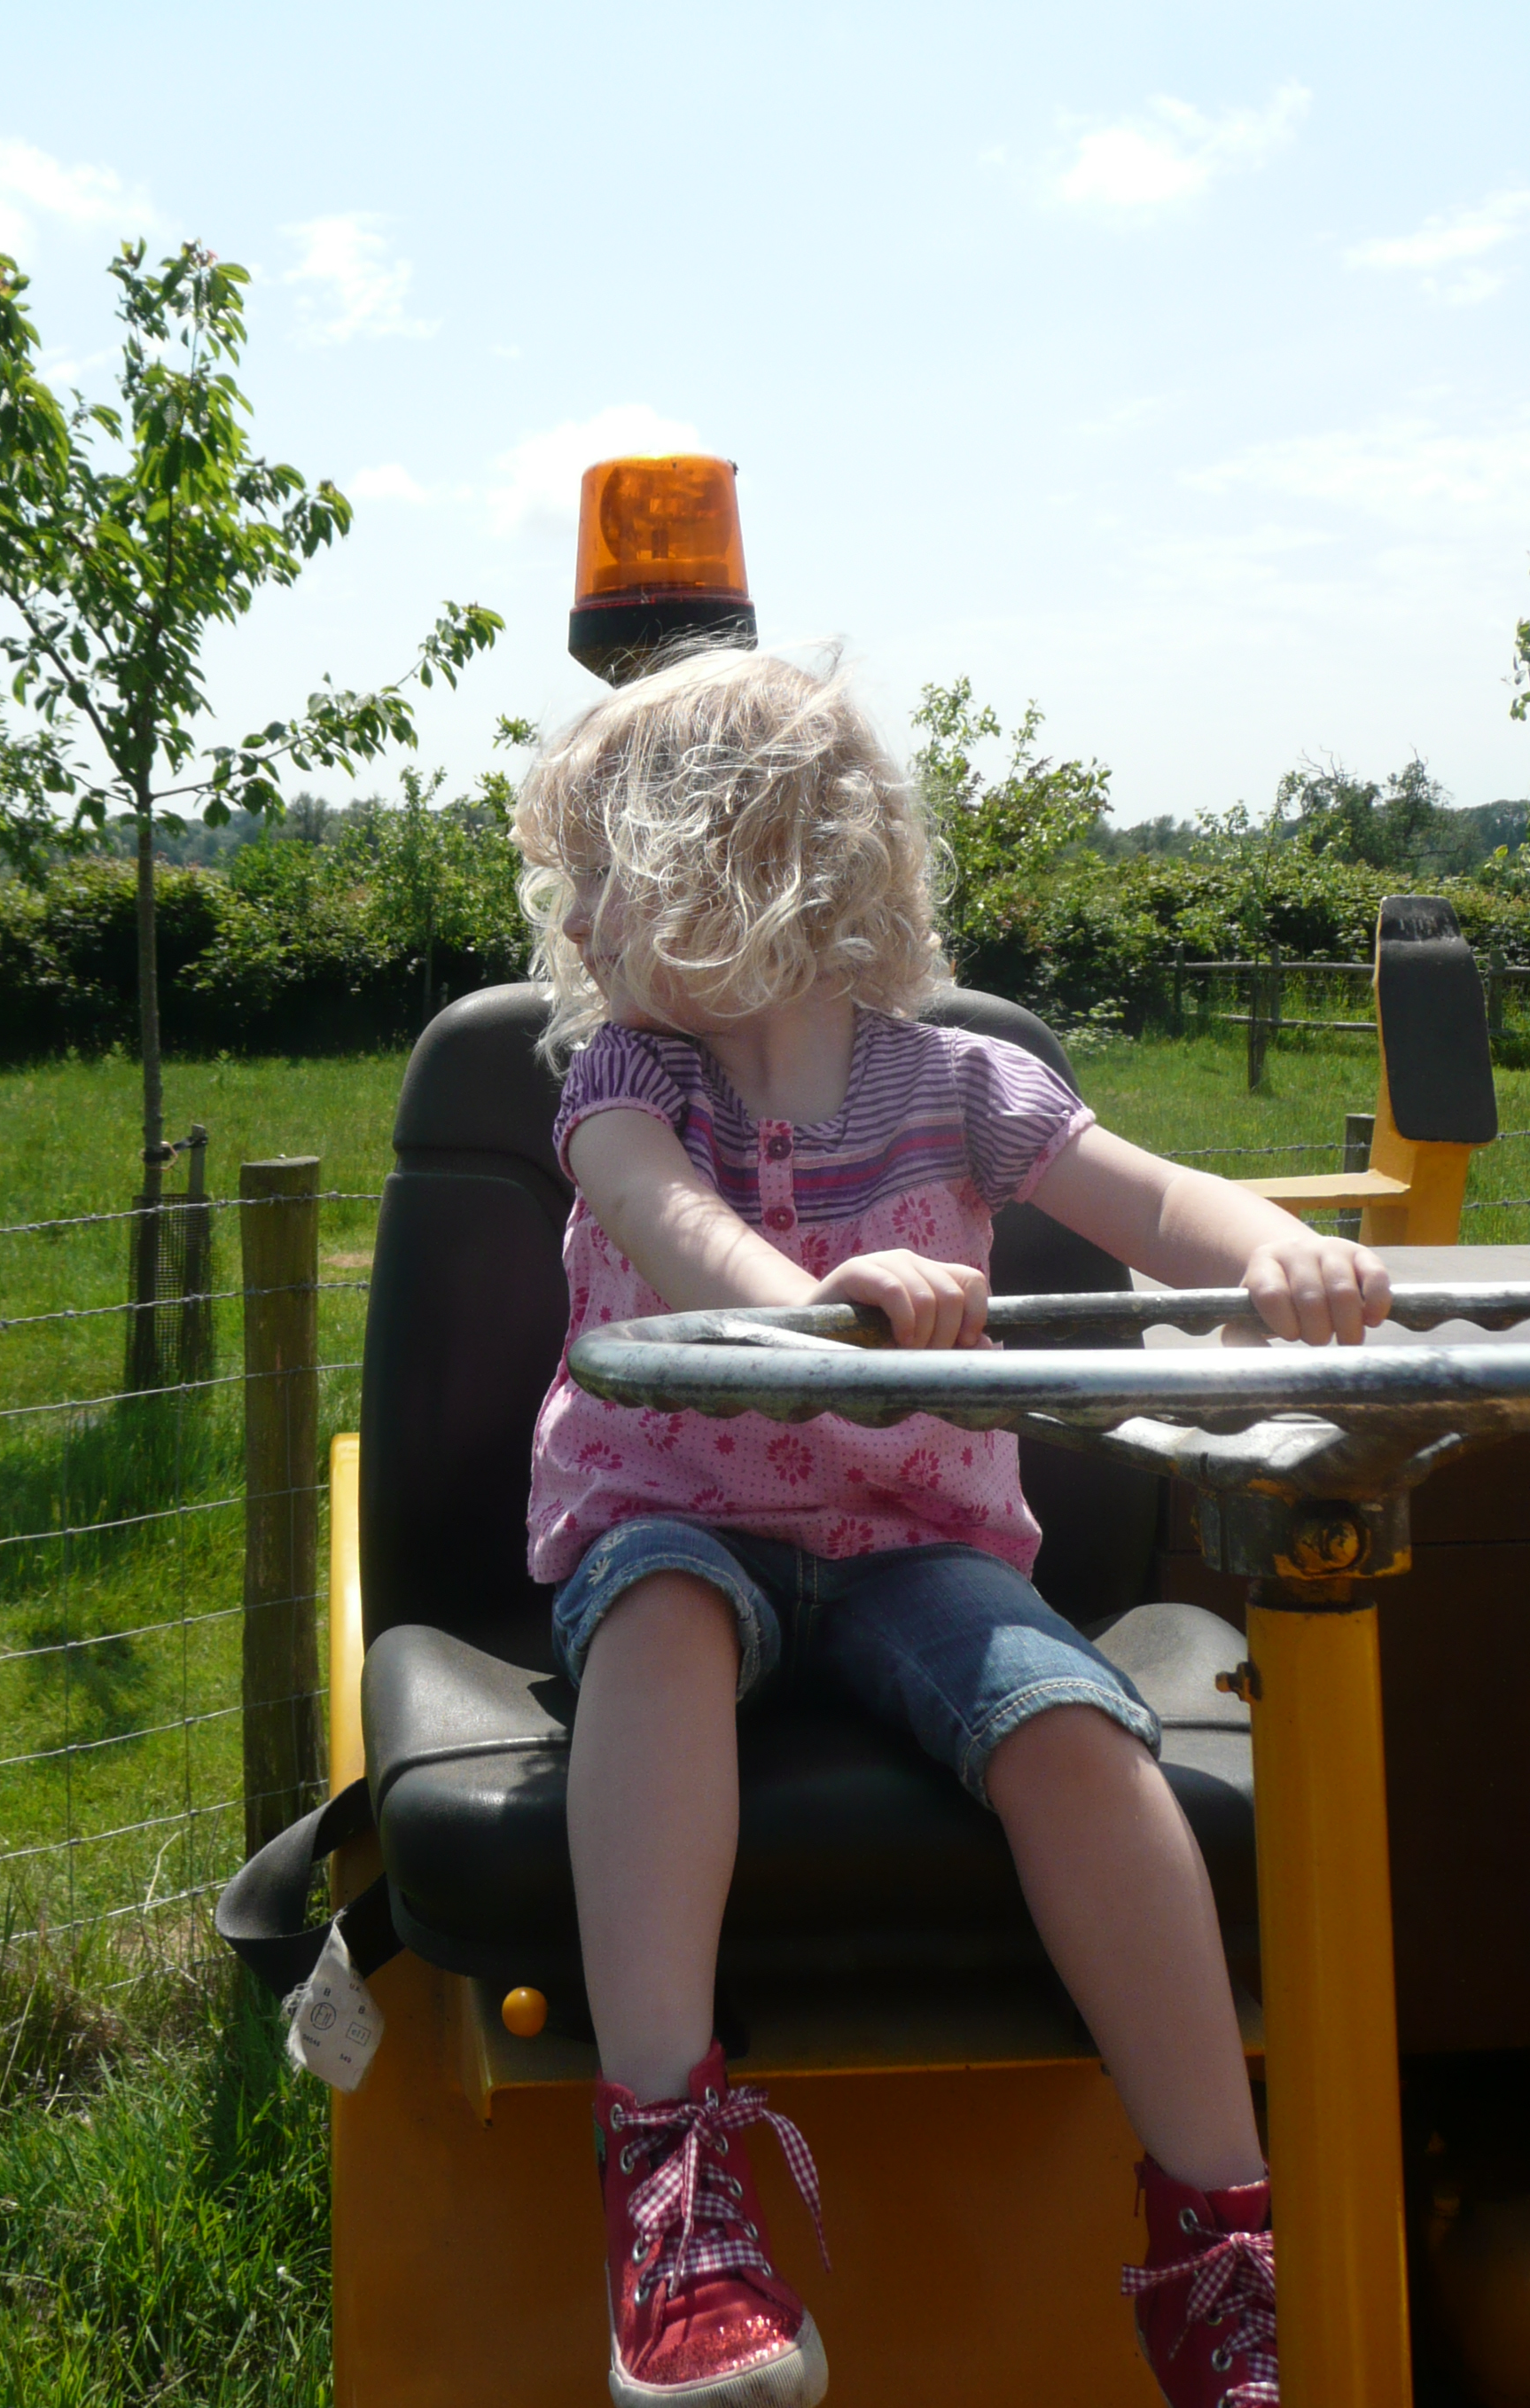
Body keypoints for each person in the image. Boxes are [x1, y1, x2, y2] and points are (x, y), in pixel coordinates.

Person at [513, 645, 1389, 2408]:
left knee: (1074, 1728)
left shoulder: (962, 1084)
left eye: (608, 870)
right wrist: (820, 1303)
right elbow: (671, 1229)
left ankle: (1220, 2249)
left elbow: (1154, 1201)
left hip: (913, 1537)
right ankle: (668, 2182)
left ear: (748, 860)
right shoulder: (631, 1085)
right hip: (673, 1507)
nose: (577, 916)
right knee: (661, 1620)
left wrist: (1275, 1253)